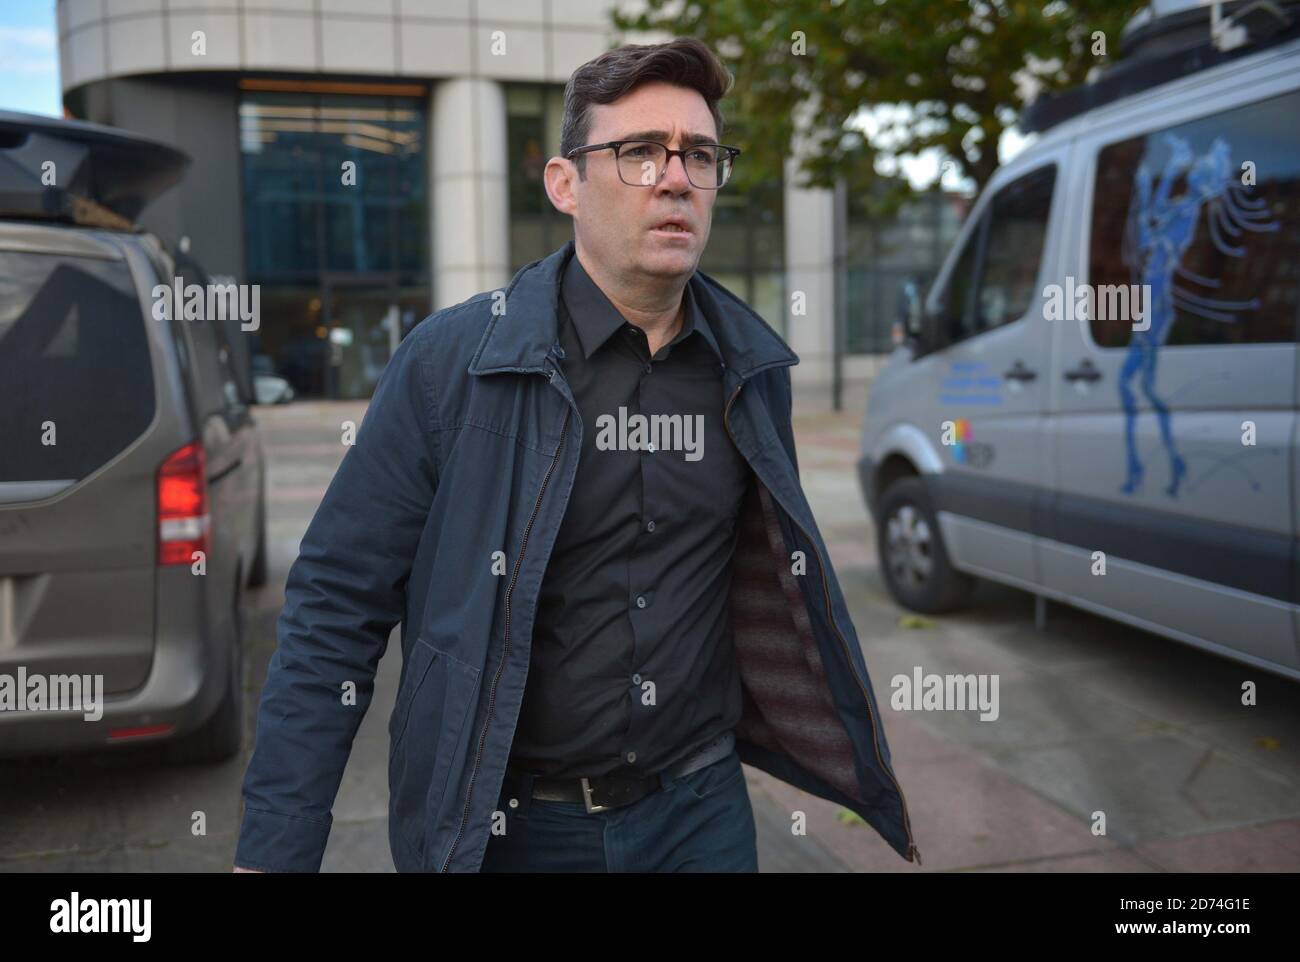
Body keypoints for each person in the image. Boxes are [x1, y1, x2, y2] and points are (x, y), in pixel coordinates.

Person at [234, 37, 918, 874]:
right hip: (511, 829)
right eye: (638, 152)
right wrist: (275, 850)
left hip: (701, 813)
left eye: (699, 155)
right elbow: (336, 604)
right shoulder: (454, 363)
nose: (675, 178)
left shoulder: (750, 368)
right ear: (565, 184)